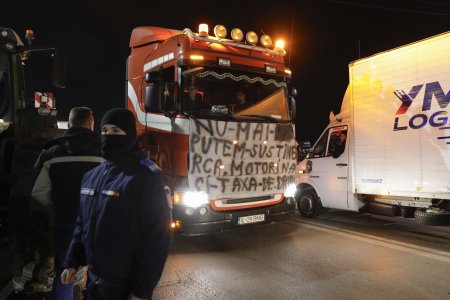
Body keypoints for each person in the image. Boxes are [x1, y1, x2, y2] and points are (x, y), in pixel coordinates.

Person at [61, 108, 172, 300]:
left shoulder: (145, 177)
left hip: (126, 290)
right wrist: (72, 261)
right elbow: (82, 224)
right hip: (94, 285)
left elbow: (158, 238)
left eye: (115, 131)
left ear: (129, 135)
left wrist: (142, 291)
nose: (108, 136)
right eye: (104, 131)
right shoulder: (91, 177)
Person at [31, 106, 102, 299]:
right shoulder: (106, 153)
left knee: (65, 274)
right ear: (91, 124)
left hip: (65, 225)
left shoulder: (52, 152)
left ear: (69, 124)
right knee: (100, 277)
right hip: (99, 226)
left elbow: (39, 195)